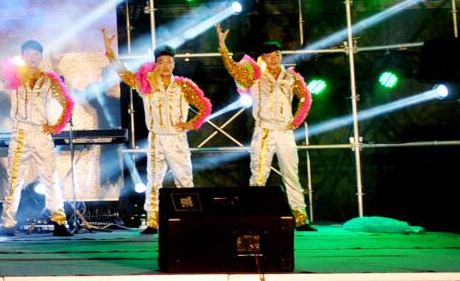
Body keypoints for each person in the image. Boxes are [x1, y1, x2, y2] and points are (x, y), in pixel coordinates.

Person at [103, 32, 210, 234]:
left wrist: (190, 124)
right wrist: (110, 53)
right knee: (153, 180)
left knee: (184, 179)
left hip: (177, 138)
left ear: (174, 64)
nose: (165, 66)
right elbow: (125, 75)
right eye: (161, 62)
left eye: (169, 62)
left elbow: (204, 107)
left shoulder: (184, 85)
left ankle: (189, 219)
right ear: (155, 64)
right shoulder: (147, 84)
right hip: (156, 138)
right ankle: (153, 221)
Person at [0, 38, 74, 235]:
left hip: (41, 133)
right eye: (29, 54)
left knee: (50, 178)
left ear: (40, 56)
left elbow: (67, 102)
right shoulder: (13, 76)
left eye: (36, 54)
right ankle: (8, 223)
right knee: (14, 180)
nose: (33, 57)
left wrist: (56, 125)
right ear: (23, 56)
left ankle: (59, 222)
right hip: (20, 133)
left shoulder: (49, 80)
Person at [216, 28, 315, 230]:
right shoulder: (255, 76)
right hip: (264, 131)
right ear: (263, 58)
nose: (274, 58)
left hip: (285, 132)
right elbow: (233, 69)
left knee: (291, 173)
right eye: (269, 55)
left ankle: (300, 216)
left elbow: (306, 98)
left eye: (277, 54)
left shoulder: (291, 77)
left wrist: (296, 121)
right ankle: (254, 216)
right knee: (259, 175)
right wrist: (222, 46)